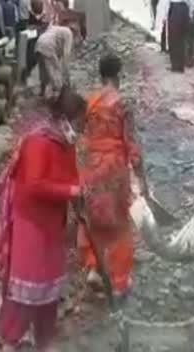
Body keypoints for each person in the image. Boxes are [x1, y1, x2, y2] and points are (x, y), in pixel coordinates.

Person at [0, 88, 87, 352]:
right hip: (31, 225)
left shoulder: (65, 144)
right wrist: (70, 191)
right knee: (26, 294)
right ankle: (9, 341)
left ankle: (45, 341)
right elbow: (33, 185)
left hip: (53, 226)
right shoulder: (38, 142)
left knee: (49, 294)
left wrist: (80, 201)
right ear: (64, 119)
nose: (81, 129)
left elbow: (72, 177)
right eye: (79, 123)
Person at [78, 54, 143, 298]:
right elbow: (132, 144)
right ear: (118, 75)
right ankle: (118, 280)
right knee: (118, 222)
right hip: (114, 169)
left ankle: (94, 268)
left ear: (100, 74)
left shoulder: (90, 101)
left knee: (95, 218)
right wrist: (140, 176)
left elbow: (83, 137)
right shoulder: (123, 103)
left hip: (92, 166)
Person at [155, 0, 190, 72]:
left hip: (174, 9)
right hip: (184, 8)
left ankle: (175, 65)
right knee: (182, 38)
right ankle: (181, 65)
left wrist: (165, 15)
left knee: (173, 39)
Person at [35, 24, 74, 99]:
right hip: (49, 45)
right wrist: (67, 77)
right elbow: (66, 55)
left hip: (39, 43)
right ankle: (60, 95)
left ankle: (42, 91)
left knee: (43, 70)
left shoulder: (58, 29)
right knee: (55, 71)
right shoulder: (69, 34)